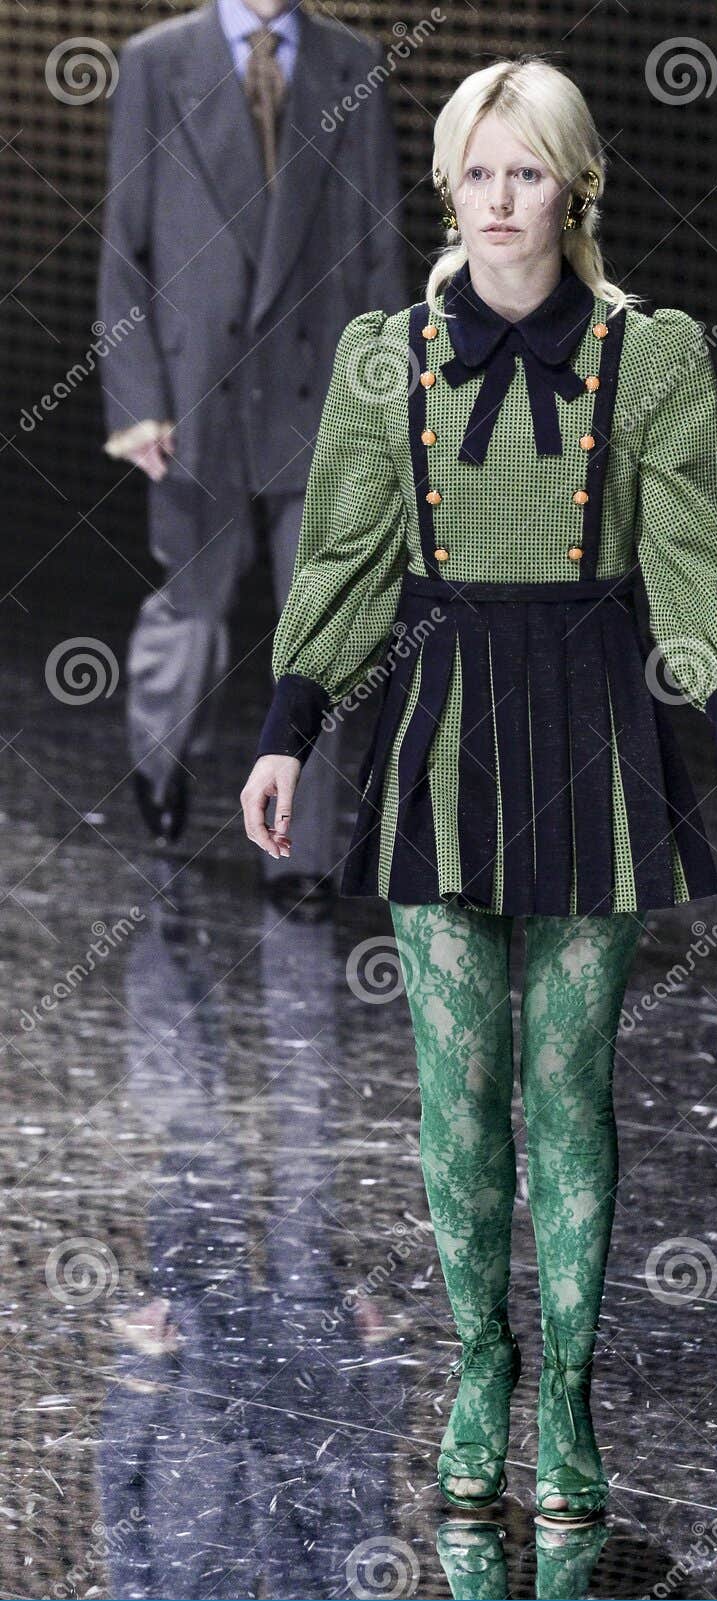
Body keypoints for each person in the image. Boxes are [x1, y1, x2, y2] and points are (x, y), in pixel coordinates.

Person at [241, 55, 717, 1522]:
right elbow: (349, 558)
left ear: (574, 186)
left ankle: (570, 1402)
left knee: (569, 1089)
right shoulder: (385, 358)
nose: (498, 200)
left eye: (526, 170)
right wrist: (287, 727)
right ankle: (479, 1370)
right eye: (476, 172)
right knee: (452, 1090)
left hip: (599, 730)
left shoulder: (647, 355)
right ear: (447, 186)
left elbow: (690, 549)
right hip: (436, 732)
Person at [97, 0, 407, 918]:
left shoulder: (353, 62)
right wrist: (137, 401)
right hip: (200, 398)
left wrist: (391, 401)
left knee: (323, 629)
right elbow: (126, 247)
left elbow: (381, 245)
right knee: (191, 607)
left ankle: (298, 856)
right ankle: (159, 760)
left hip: (320, 395)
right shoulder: (157, 62)